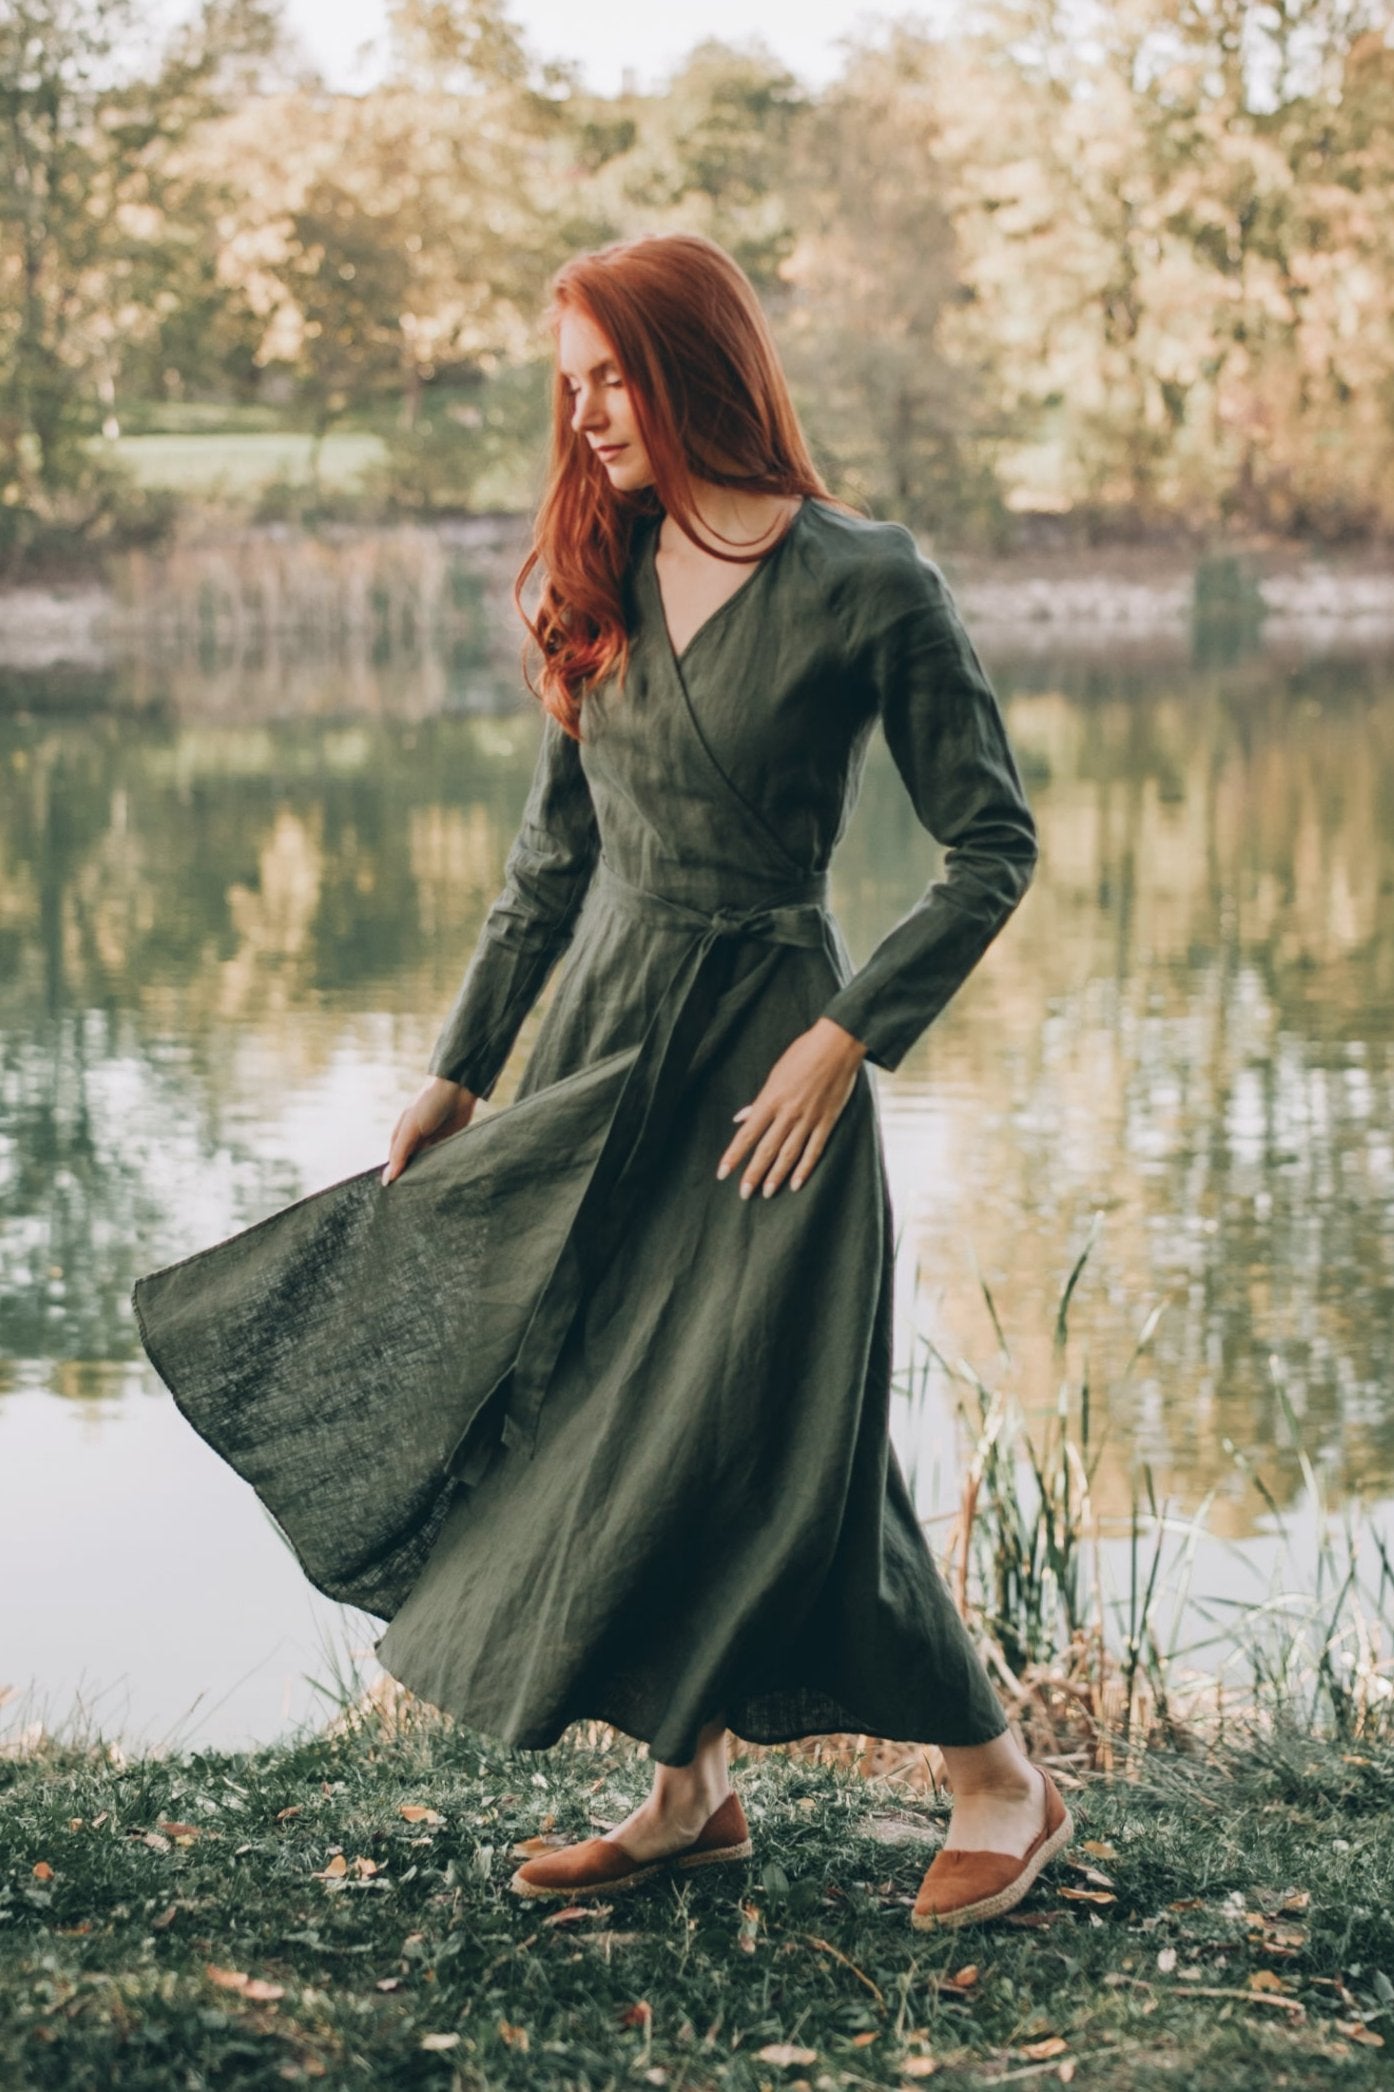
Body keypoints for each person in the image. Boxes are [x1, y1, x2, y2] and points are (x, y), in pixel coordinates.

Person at [369, 230, 1071, 1927]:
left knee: (778, 1438)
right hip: (605, 1056)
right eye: (572, 385)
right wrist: (464, 1069)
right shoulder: (594, 559)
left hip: (771, 1070)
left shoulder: (867, 581)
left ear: (693, 365)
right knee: (605, 1401)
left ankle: (1001, 1780)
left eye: (611, 376)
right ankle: (688, 1792)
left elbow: (990, 846)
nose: (588, 415)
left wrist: (847, 1037)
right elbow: (552, 862)